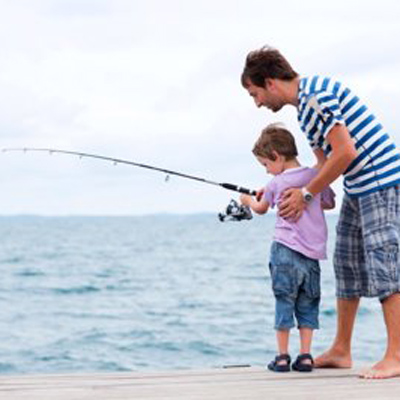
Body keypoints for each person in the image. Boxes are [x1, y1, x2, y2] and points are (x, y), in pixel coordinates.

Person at [241, 45, 400, 379]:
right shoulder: (304, 112)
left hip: (380, 181)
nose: (257, 103)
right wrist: (280, 187)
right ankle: (341, 350)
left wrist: (307, 194)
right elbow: (322, 166)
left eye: (255, 94)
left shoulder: (316, 97)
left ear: (270, 82)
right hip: (358, 186)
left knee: (384, 265)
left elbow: (345, 152)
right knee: (346, 264)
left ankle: (396, 356)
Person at [240, 123, 335, 373]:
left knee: (284, 301)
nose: (267, 171)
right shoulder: (315, 177)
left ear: (276, 156)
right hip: (311, 255)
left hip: (283, 252)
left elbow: (261, 209)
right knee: (308, 303)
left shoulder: (276, 182)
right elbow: (329, 203)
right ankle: (305, 356)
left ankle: (282, 357)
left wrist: (247, 199)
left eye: (265, 165)